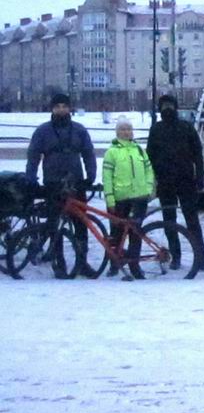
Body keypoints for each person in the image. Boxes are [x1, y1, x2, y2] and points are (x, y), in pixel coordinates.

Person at [26, 93, 97, 277]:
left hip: (76, 182)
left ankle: (82, 262)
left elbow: (88, 154)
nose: (61, 110)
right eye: (57, 106)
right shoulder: (42, 131)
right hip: (53, 182)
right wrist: (31, 180)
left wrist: (90, 177)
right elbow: (33, 157)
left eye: (64, 106)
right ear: (52, 108)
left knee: (81, 224)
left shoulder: (79, 130)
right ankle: (59, 262)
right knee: (54, 224)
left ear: (69, 108)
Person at [146, 94, 204, 271]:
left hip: (186, 182)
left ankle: (201, 257)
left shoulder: (186, 127)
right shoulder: (156, 129)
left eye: (170, 105)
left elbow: (198, 154)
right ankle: (176, 257)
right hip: (165, 183)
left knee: (192, 221)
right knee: (169, 222)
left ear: (176, 108)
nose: (167, 109)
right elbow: (149, 157)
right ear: (159, 109)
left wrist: (200, 177)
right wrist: (153, 179)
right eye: (164, 106)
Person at [103, 117, 154, 279]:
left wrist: (148, 187)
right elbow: (107, 177)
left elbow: (148, 170)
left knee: (135, 234)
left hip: (139, 197)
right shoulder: (111, 152)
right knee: (116, 234)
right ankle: (114, 263)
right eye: (123, 129)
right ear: (117, 132)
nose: (126, 132)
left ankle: (134, 265)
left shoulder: (139, 150)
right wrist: (110, 199)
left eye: (128, 129)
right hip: (120, 199)